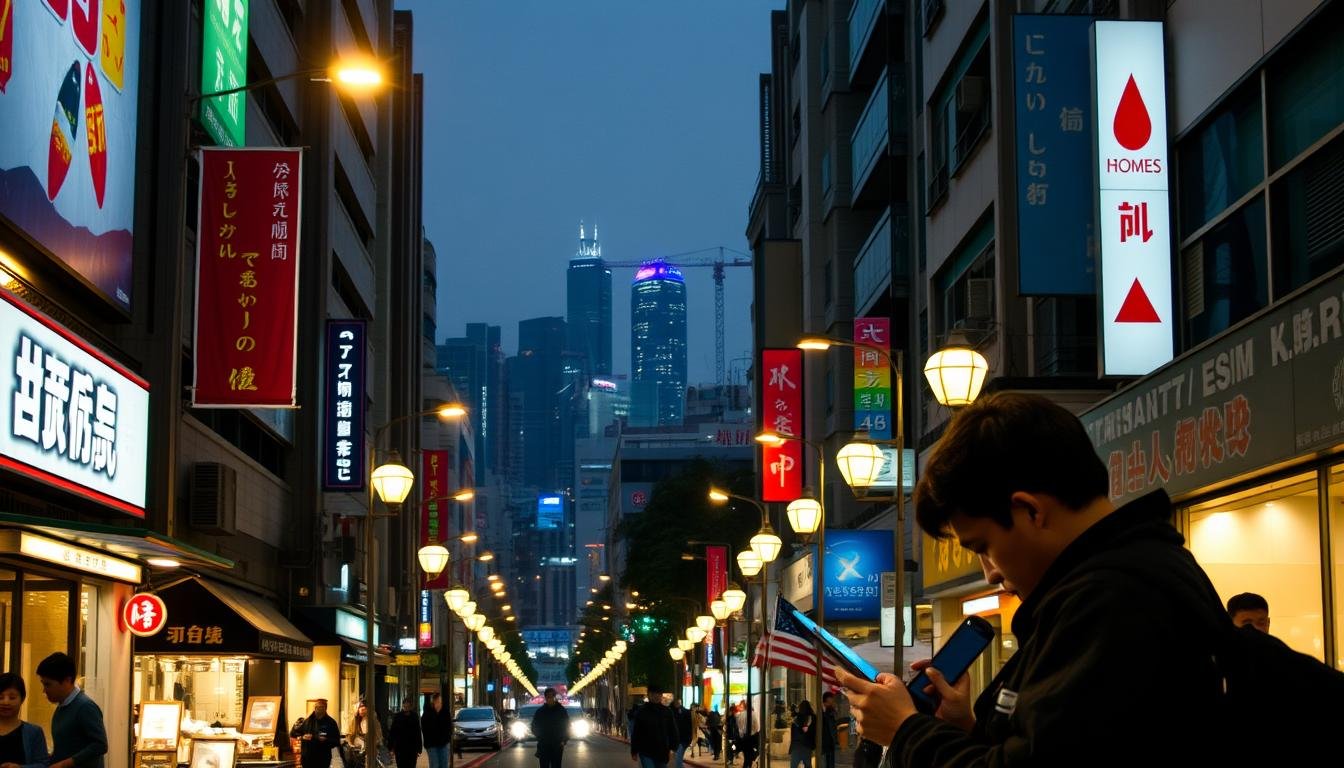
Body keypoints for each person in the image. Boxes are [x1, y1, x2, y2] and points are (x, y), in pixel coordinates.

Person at [833, 392, 1247, 765]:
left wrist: (907, 730)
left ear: (1030, 510)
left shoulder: (1112, 601)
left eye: (983, 547)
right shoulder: (1135, 575)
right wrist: (965, 729)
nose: (991, 572)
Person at [36, 652, 106, 768]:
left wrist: (64, 764)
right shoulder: (62, 707)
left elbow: (100, 745)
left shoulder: (85, 706)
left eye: (48, 684)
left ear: (67, 681)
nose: (44, 690)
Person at [0, 672, 49, 768]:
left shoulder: (34, 732)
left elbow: (43, 764)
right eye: (0, 697)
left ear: (22, 699)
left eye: (12, 697)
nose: (6, 702)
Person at [630, 684, 678, 768]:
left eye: (658, 694)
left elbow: (673, 731)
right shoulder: (641, 712)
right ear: (648, 695)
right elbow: (636, 732)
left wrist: (673, 748)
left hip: (662, 751)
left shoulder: (667, 712)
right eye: (653, 694)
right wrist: (634, 750)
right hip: (646, 751)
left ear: (661, 695)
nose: (656, 696)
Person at [289, 699, 340, 768]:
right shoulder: (307, 721)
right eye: (317, 707)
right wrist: (303, 737)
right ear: (314, 708)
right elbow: (293, 733)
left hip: (323, 759)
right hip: (307, 759)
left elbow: (336, 741)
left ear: (325, 708)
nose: (319, 709)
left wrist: (326, 740)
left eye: (321, 707)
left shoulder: (331, 722)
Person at [530, 688, 570, 768]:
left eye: (551, 697)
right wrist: (540, 737)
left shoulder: (561, 711)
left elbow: (567, 726)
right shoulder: (540, 712)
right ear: (545, 698)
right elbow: (534, 726)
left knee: (556, 765)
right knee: (544, 765)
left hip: (557, 744)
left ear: (555, 697)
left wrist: (564, 740)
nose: (550, 699)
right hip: (544, 744)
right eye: (548, 697)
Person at [387, 697, 422, 768]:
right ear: (403, 706)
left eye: (408, 706)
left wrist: (419, 748)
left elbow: (417, 732)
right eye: (405, 706)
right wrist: (390, 747)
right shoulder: (398, 716)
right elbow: (393, 732)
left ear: (410, 707)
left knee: (411, 765)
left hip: (411, 747)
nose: (406, 708)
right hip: (400, 747)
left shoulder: (414, 716)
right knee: (401, 765)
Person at [421, 693, 452, 768]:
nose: (438, 703)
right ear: (433, 702)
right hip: (431, 744)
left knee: (444, 765)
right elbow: (424, 728)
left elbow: (449, 727)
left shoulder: (445, 712)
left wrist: (447, 738)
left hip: (444, 743)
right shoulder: (428, 712)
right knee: (434, 765)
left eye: (439, 701)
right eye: (436, 701)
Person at [344, 700, 373, 767]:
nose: (362, 709)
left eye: (364, 707)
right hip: (358, 748)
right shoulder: (355, 721)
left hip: (367, 749)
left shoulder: (369, 720)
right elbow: (350, 734)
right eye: (360, 707)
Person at [787, 699, 815, 768]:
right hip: (807, 746)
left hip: (796, 746)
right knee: (808, 765)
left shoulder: (796, 719)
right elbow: (813, 733)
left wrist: (791, 748)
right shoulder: (812, 718)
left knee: (793, 766)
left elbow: (793, 735)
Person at [732, 701, 759, 768]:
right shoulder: (753, 714)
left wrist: (741, 735)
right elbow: (757, 727)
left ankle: (746, 765)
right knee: (749, 754)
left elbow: (738, 726)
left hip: (743, 738)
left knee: (746, 754)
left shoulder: (740, 715)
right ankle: (748, 765)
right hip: (751, 737)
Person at [670, 698, 691, 768]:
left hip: (682, 739)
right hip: (679, 739)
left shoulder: (685, 712)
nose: (678, 704)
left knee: (678, 759)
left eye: (679, 702)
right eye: (676, 703)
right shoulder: (672, 712)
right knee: (679, 758)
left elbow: (689, 726)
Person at [819, 692, 838, 768]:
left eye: (832, 702)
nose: (832, 704)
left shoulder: (828, 713)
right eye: (830, 702)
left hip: (828, 744)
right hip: (827, 744)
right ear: (824, 703)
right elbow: (832, 729)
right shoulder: (828, 713)